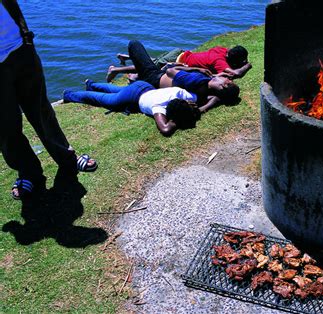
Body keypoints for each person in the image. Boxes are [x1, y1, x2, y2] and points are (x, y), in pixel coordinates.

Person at [1, 0, 97, 200]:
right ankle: (28, 172)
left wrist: (26, 38)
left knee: (42, 112)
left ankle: (67, 159)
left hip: (20, 50)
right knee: (6, 126)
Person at [125, 40, 240, 113]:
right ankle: (135, 77)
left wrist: (196, 69)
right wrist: (215, 75)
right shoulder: (209, 93)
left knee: (134, 44)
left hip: (154, 77)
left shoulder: (196, 80)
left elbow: (170, 71)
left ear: (223, 86)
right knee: (146, 63)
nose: (228, 78)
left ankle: (136, 77)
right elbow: (213, 96)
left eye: (228, 80)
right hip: (158, 83)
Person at [63, 80, 201, 136]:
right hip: (132, 97)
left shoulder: (179, 93)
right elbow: (165, 129)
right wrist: (178, 121)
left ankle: (92, 84)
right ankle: (69, 95)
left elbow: (197, 100)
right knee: (104, 99)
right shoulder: (159, 108)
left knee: (117, 90)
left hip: (143, 86)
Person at [107, 43, 252, 82]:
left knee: (153, 61)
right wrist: (247, 65)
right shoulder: (220, 61)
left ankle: (126, 57)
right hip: (176, 60)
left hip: (181, 52)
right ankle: (115, 70)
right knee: (147, 67)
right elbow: (233, 74)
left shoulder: (221, 50)